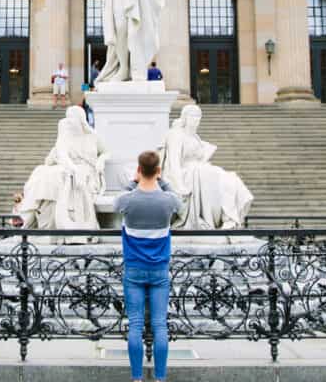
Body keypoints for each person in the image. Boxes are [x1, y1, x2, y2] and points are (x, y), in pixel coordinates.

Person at [115, 151, 183, 382]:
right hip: (159, 270)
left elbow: (117, 201)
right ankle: (160, 378)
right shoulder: (167, 200)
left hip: (133, 269)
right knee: (159, 326)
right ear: (158, 171)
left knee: (135, 325)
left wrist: (134, 181)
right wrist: (161, 179)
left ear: (138, 169)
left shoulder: (128, 199)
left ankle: (137, 378)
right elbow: (178, 200)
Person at [159, 105, 253, 230]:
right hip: (187, 174)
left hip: (200, 170)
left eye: (198, 117)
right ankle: (228, 217)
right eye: (193, 116)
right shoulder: (176, 135)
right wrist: (180, 186)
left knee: (230, 178)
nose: (196, 120)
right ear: (185, 118)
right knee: (217, 176)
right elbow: (173, 163)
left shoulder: (196, 137)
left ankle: (230, 218)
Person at [14, 106, 109, 230]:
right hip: (68, 169)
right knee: (40, 171)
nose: (69, 121)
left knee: (57, 175)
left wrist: (101, 160)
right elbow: (49, 161)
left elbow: (106, 152)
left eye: (72, 118)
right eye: (67, 118)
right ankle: (29, 212)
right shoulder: (65, 137)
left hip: (87, 171)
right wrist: (58, 148)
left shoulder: (92, 136)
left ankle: (29, 218)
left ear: (81, 119)